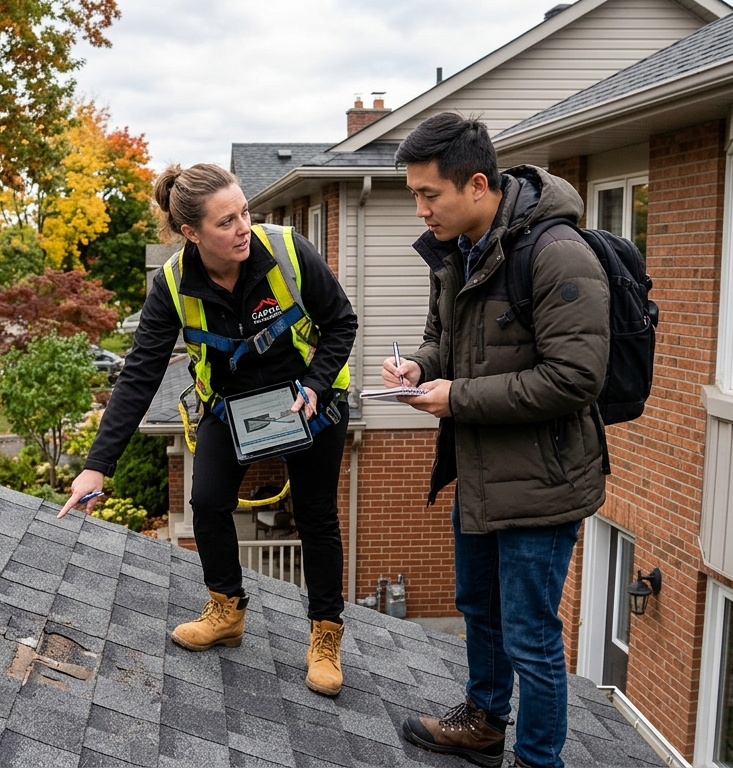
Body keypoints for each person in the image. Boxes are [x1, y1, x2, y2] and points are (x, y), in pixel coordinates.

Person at [59, 163, 358, 696]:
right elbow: (139, 375)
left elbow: (341, 322)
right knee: (207, 501)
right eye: (226, 222)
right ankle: (226, 611)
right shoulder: (173, 284)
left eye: (245, 212)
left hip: (310, 402)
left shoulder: (288, 252)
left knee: (316, 517)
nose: (243, 227)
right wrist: (95, 467)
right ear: (191, 234)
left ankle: (325, 634)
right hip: (233, 407)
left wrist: (314, 385)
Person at [383, 113, 609, 768]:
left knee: (532, 639)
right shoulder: (455, 251)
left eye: (431, 195)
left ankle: (538, 762)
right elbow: (442, 342)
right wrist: (421, 368)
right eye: (415, 195)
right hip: (481, 472)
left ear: (477, 184)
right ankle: (484, 722)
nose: (421, 209)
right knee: (478, 609)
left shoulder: (558, 253)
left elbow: (575, 379)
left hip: (544, 482)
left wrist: (456, 398)